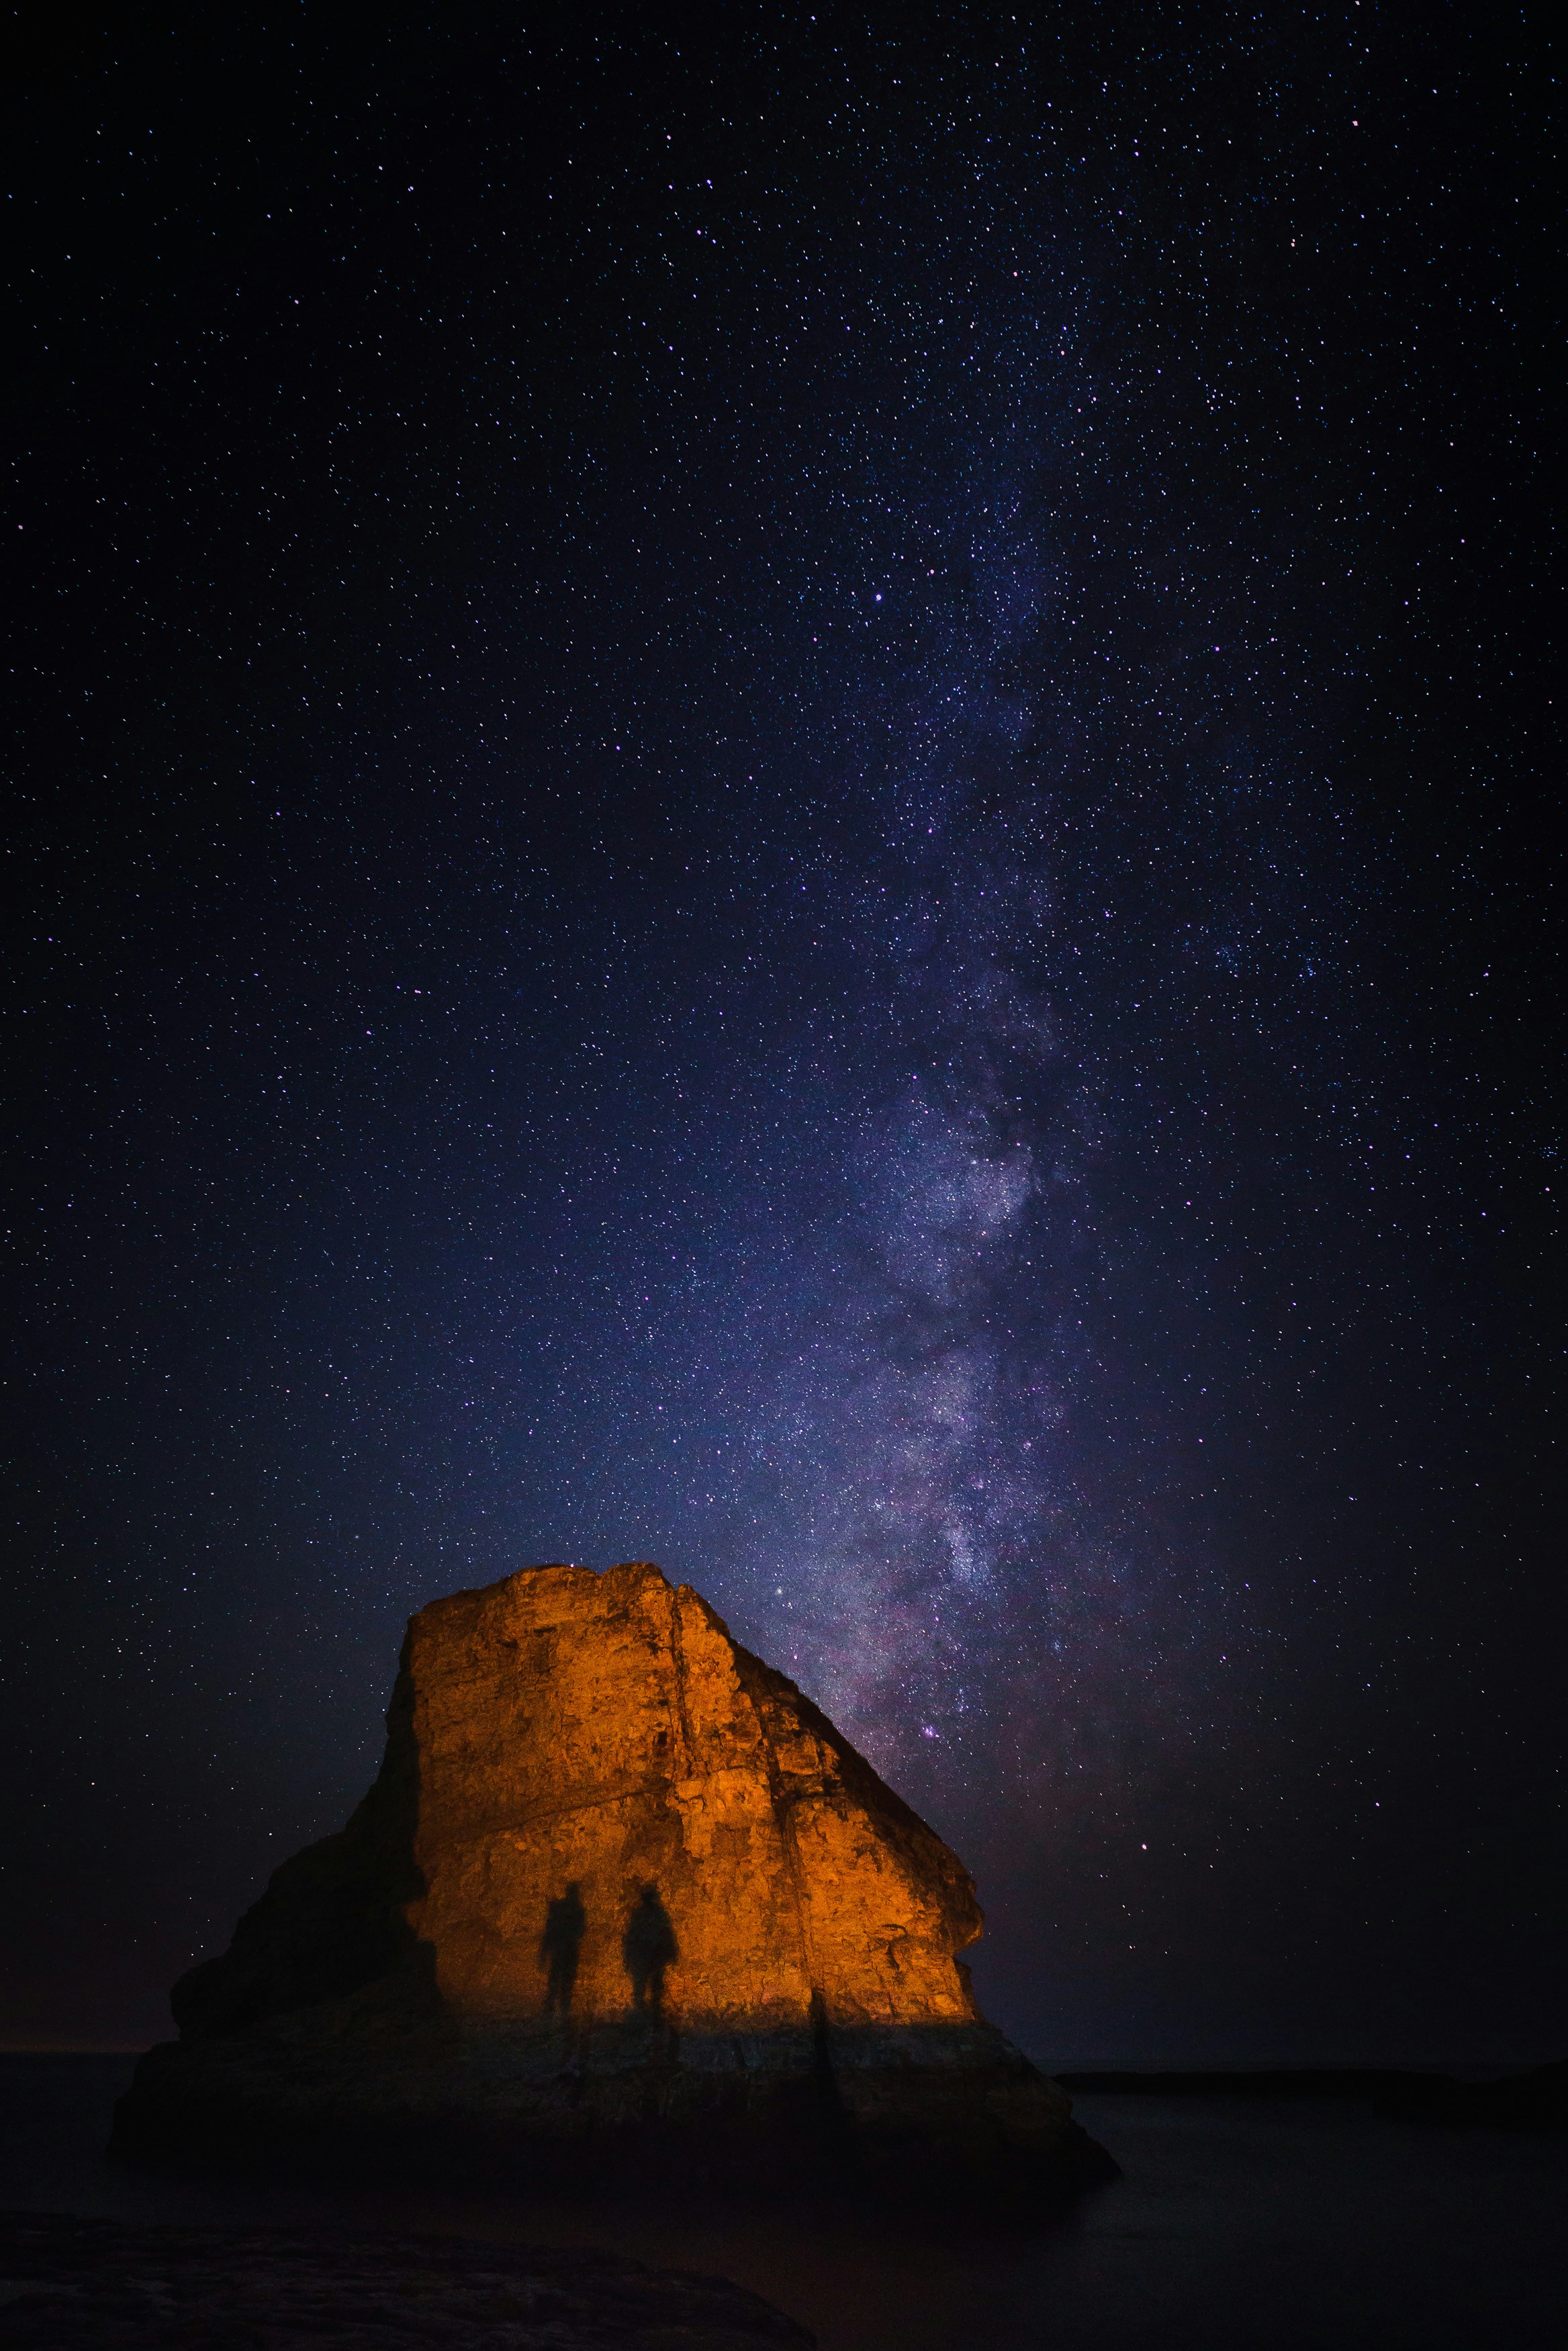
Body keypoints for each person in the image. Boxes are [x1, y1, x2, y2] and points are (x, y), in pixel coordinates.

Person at [622, 1883, 678, 2018]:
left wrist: (628, 1957)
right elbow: (667, 1934)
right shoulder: (657, 1915)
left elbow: (631, 1937)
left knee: (646, 1986)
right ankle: (650, 2013)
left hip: (647, 1957)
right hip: (650, 1957)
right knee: (651, 1986)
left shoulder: (641, 1915)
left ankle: (647, 2013)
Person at [538, 1882, 586, 2016]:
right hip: (570, 1951)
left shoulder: (558, 1908)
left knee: (555, 1982)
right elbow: (581, 1932)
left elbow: (549, 1931)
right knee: (567, 1983)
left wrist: (544, 1952)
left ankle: (549, 2012)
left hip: (559, 1951)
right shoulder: (578, 1910)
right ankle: (564, 2014)